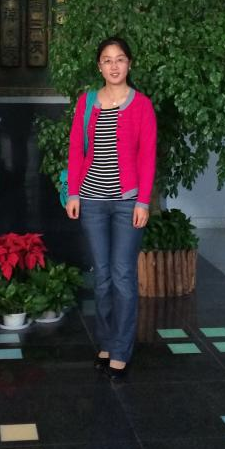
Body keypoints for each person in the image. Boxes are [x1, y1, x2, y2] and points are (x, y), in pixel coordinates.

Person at [65, 37, 157, 379]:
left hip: (126, 203)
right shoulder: (87, 102)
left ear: (129, 64)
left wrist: (143, 201)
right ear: (99, 66)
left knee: (122, 275)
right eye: (107, 60)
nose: (114, 66)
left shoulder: (142, 105)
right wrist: (73, 193)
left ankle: (121, 349)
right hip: (91, 201)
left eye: (120, 59)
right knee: (101, 277)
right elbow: (76, 149)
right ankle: (105, 342)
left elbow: (147, 156)